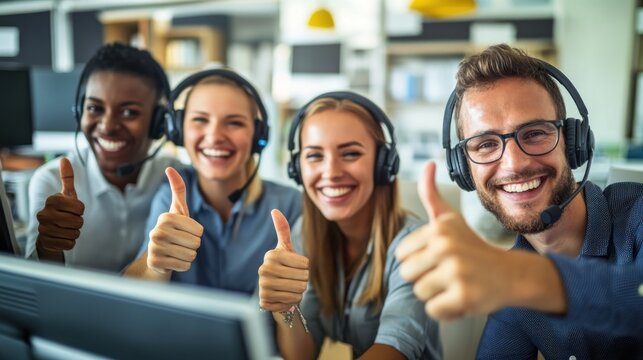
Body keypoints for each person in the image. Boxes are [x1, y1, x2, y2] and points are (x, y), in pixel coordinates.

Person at [396, 44, 643, 359]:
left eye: (535, 133)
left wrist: (518, 277)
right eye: (485, 144)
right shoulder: (514, 292)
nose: (514, 164)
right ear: (463, 170)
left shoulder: (638, 214)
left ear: (572, 143)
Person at [257, 92, 442, 359]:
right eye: (314, 155)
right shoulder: (304, 234)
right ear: (297, 169)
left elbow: (393, 349)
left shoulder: (416, 244)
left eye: (351, 153)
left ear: (383, 164)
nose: (331, 172)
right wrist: (285, 309)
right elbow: (301, 355)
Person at [124, 69, 301, 295]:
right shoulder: (170, 196)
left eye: (234, 123)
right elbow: (130, 292)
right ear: (177, 130)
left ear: (258, 136)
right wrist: (154, 264)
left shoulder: (290, 205)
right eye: (200, 119)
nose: (215, 136)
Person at [25, 42, 180, 272]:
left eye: (129, 112)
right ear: (79, 111)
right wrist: (48, 248)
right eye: (95, 108)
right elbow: (32, 284)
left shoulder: (175, 180)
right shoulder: (51, 180)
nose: (107, 127)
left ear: (159, 124)